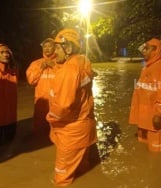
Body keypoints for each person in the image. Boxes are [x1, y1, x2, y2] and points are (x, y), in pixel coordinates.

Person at [46, 28, 97, 186]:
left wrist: (50, 118)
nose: (54, 52)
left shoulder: (69, 70)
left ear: (68, 48)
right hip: (84, 127)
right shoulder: (84, 62)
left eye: (57, 48)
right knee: (82, 170)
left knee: (62, 180)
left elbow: (63, 105)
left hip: (71, 133)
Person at [129, 38, 161, 152]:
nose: (143, 51)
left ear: (156, 51)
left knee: (155, 155)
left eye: (147, 48)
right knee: (143, 152)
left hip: (154, 119)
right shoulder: (148, 66)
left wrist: (159, 114)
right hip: (143, 117)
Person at [26, 38, 56, 134]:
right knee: (39, 132)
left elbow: (67, 80)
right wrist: (40, 69)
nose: (46, 49)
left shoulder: (60, 63)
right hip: (41, 102)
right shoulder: (35, 64)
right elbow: (31, 81)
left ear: (55, 48)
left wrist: (54, 67)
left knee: (56, 131)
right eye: (45, 46)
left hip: (56, 102)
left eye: (50, 46)